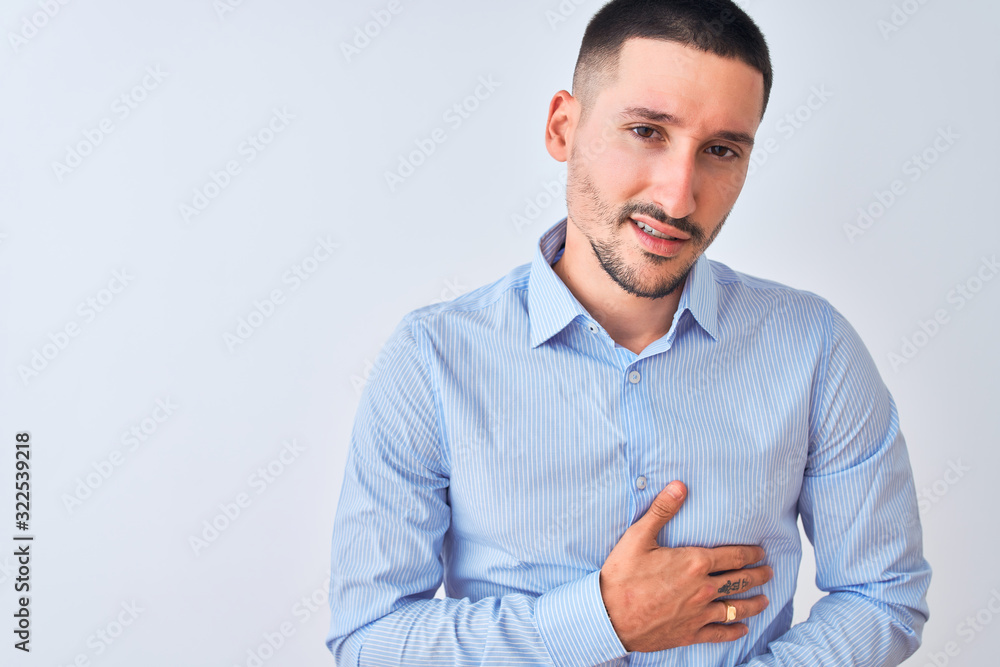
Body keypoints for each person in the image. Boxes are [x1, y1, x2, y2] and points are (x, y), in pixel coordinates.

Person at [325, 0, 931, 664]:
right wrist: (604, 619)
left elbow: (883, 594)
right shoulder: (431, 358)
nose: (677, 197)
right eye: (646, 131)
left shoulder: (815, 347)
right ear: (563, 128)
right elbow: (369, 638)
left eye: (721, 150)